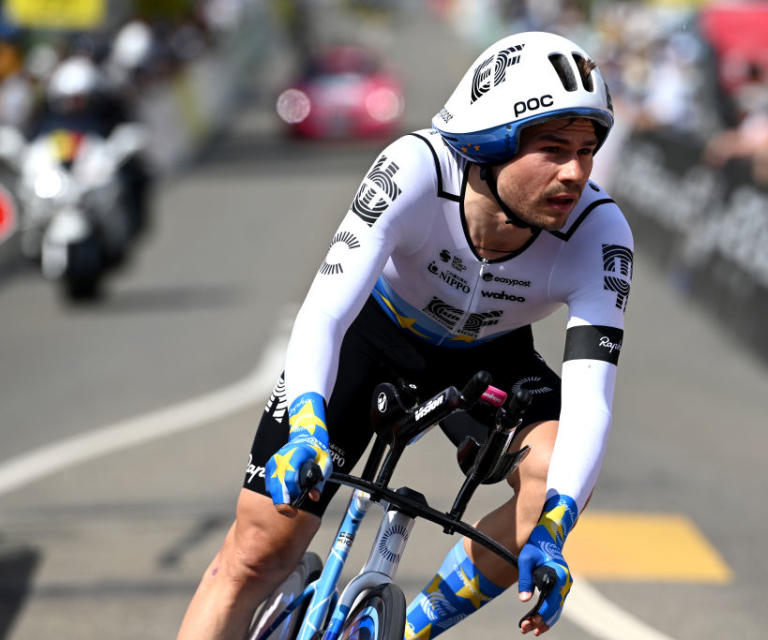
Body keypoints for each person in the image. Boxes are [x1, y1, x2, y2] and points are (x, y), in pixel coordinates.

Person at [176, 30, 633, 639]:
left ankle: (410, 629)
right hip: (374, 333)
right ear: (490, 143)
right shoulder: (415, 168)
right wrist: (308, 424)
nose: (575, 172)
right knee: (259, 547)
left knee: (555, 480)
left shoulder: (601, 234)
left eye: (587, 149)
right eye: (553, 148)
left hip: (489, 356)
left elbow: (590, 403)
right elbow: (324, 313)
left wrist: (553, 528)